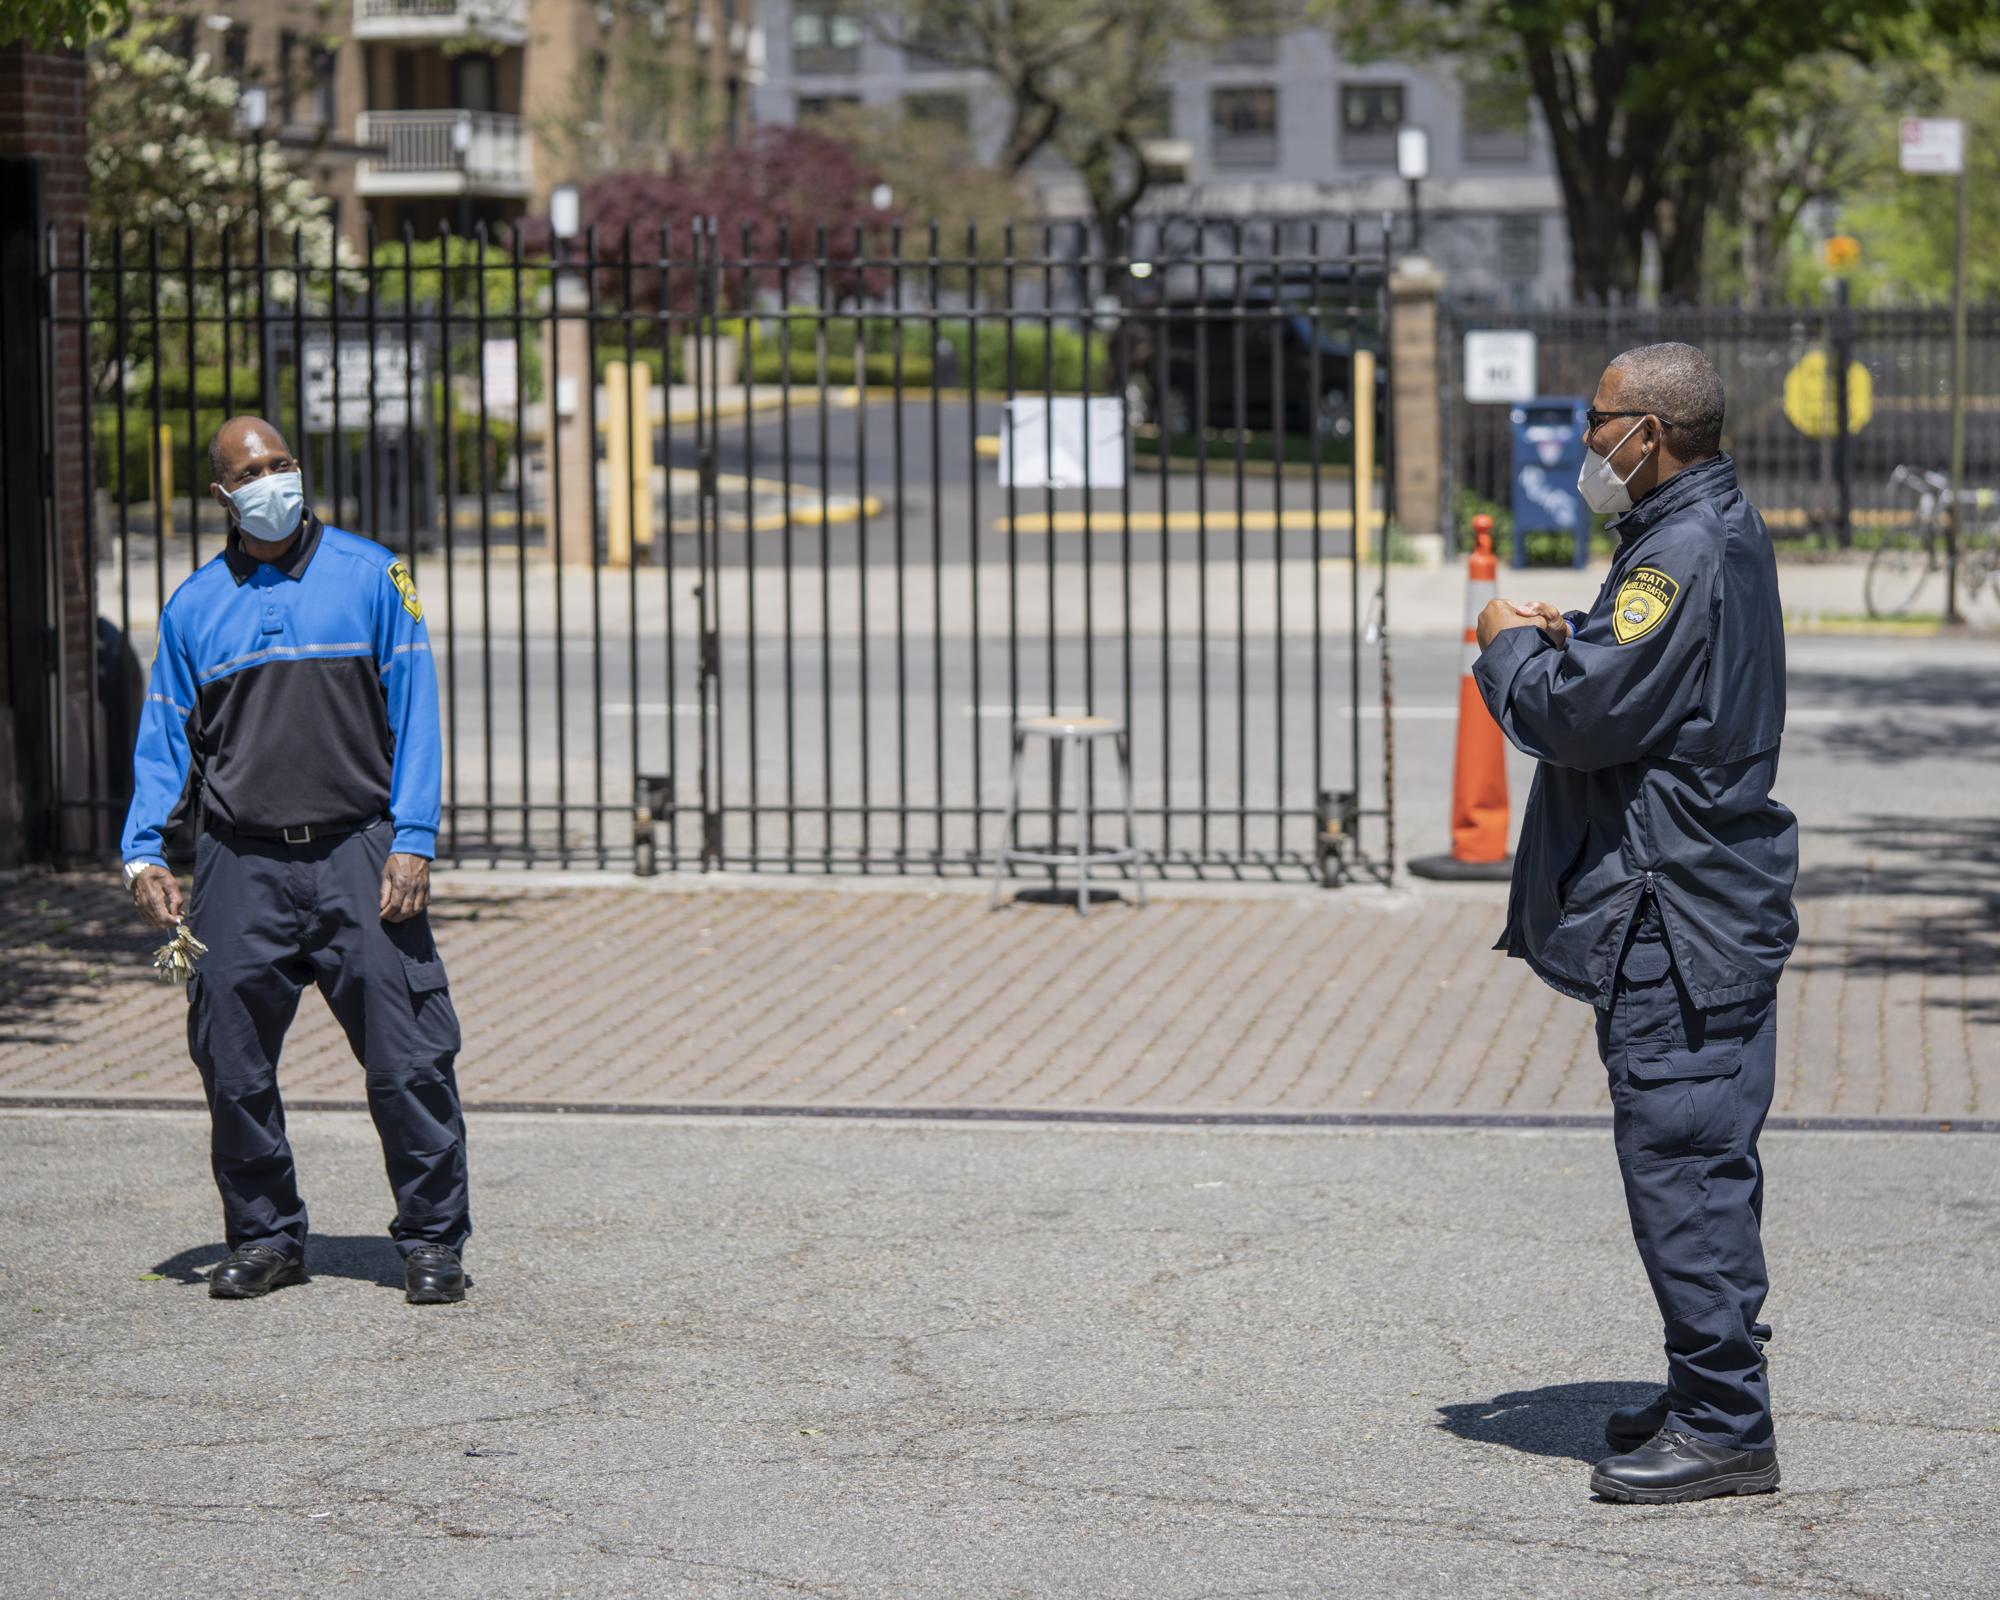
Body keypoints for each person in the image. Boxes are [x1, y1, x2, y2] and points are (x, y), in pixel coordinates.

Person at [1472, 343, 1797, 1504]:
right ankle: (1705, 1383)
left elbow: (1583, 719)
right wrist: (1582, 633)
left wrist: (1505, 646)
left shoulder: (1684, 546)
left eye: (1596, 418)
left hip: (1679, 913)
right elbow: (1641, 681)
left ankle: (1723, 1425)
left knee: (1681, 1160)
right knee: (1702, 1157)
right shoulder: (1685, 534)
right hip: (1698, 897)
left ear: (1647, 434)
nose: (1581, 438)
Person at [120, 416, 470, 1306]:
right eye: (254, 470)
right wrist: (142, 850)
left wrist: (415, 838)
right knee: (231, 1064)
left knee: (408, 1061)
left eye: (284, 464)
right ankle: (268, 1236)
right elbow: (165, 736)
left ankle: (432, 1241)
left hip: (362, 852)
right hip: (241, 865)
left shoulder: (374, 574)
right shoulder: (194, 606)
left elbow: (417, 708)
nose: (274, 480)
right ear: (223, 494)